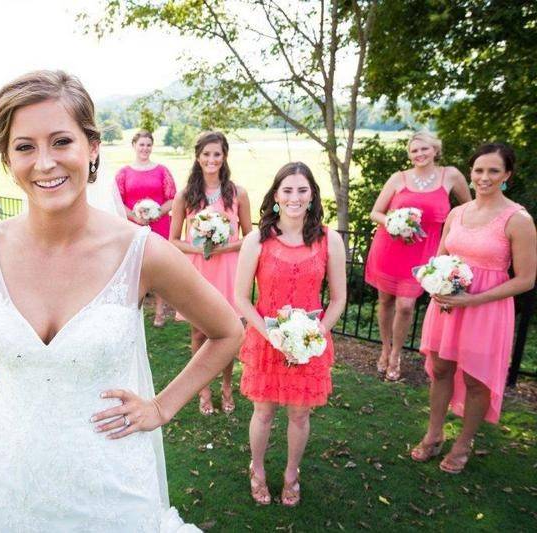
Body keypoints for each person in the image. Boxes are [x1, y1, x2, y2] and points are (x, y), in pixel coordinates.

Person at [0, 70, 242, 530]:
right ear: (7, 159)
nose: (44, 163)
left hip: (113, 487)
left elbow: (227, 331)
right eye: (25, 147)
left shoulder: (140, 252)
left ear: (91, 147)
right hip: (14, 481)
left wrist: (161, 406)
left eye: (61, 141)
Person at [411, 143, 535, 474]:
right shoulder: (457, 214)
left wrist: (473, 299)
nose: (484, 177)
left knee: (477, 379)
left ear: (507, 175)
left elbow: (525, 279)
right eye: (479, 170)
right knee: (440, 369)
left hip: (487, 310)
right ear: (471, 172)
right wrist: (435, 282)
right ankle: (434, 433)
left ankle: (463, 443)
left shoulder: (518, 219)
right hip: (448, 306)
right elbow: (438, 259)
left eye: (493, 171)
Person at [234, 162, 346, 506]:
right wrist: (272, 336)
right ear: (276, 196)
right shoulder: (257, 240)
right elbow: (240, 298)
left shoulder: (331, 240)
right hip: (266, 340)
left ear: (312, 195)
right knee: (264, 413)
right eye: (288, 190)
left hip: (309, 345)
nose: (295, 197)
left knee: (299, 414)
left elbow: (339, 298)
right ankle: (257, 469)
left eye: (302, 190)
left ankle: (291, 474)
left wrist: (313, 338)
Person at [365, 131, 471, 380]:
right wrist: (395, 221)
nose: (419, 154)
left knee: (406, 305)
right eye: (414, 151)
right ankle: (385, 348)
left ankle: (396, 354)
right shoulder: (398, 178)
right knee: (386, 302)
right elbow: (375, 213)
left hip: (424, 253)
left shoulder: (451, 175)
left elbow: (467, 210)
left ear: (435, 150)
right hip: (390, 249)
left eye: (424, 149)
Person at [169, 131, 252, 416]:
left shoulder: (237, 193)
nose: (211, 159)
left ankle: (227, 386)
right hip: (198, 271)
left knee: (227, 332)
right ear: (198, 157)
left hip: (228, 270)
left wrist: (223, 248)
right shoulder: (186, 196)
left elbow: (250, 238)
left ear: (224, 156)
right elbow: (173, 241)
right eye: (206, 154)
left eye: (217, 154)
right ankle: (203, 389)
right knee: (199, 333)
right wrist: (200, 248)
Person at [116, 130, 177, 327]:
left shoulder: (162, 171)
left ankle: (160, 312)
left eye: (148, 145)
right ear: (134, 146)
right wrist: (135, 216)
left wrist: (156, 213)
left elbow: (172, 198)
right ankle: (134, 313)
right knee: (135, 269)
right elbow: (117, 201)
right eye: (141, 144)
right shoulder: (124, 173)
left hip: (158, 225)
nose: (145, 148)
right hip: (133, 227)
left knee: (158, 268)